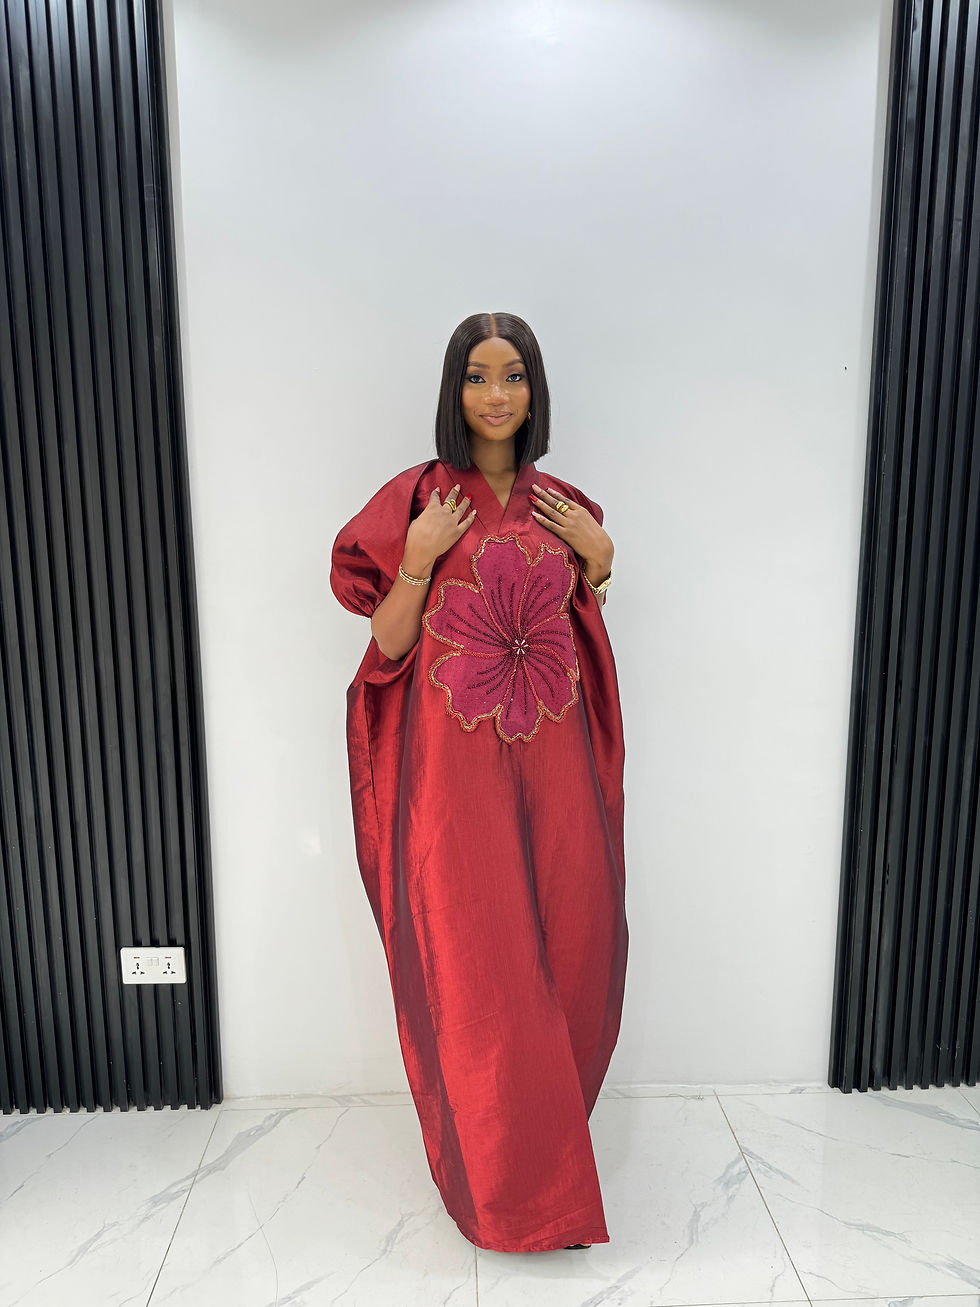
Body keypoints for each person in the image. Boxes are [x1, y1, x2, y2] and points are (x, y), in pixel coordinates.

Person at [330, 311, 628, 1253]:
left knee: (577, 949)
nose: (496, 395)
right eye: (476, 376)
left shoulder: (562, 504)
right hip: (455, 789)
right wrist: (418, 559)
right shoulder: (417, 497)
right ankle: (513, 1197)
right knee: (481, 970)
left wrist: (601, 559)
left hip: (556, 775)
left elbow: (580, 620)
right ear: (452, 390)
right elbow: (387, 643)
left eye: (513, 375)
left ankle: (547, 1161)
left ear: (535, 389)